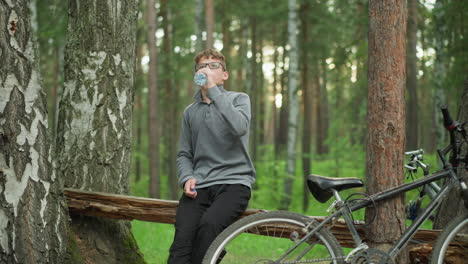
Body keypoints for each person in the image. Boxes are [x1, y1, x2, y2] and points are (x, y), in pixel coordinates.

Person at [167, 49, 256, 264]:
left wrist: (214, 91)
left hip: (234, 184)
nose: (206, 69)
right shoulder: (190, 112)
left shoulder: (239, 99)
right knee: (181, 245)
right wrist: (187, 177)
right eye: (201, 67)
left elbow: (239, 127)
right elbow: (184, 153)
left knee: (208, 227)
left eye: (213, 66)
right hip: (200, 186)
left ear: (224, 75)